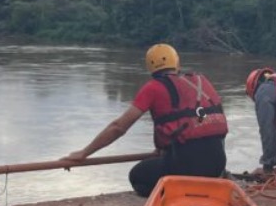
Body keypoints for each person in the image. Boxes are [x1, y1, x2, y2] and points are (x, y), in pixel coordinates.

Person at [62, 44, 228, 197]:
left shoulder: (153, 87)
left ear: (149, 66)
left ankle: (178, 196)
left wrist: (84, 152)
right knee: (159, 163)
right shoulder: (199, 83)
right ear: (176, 62)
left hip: (186, 168)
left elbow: (118, 127)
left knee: (137, 176)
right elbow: (205, 126)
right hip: (217, 165)